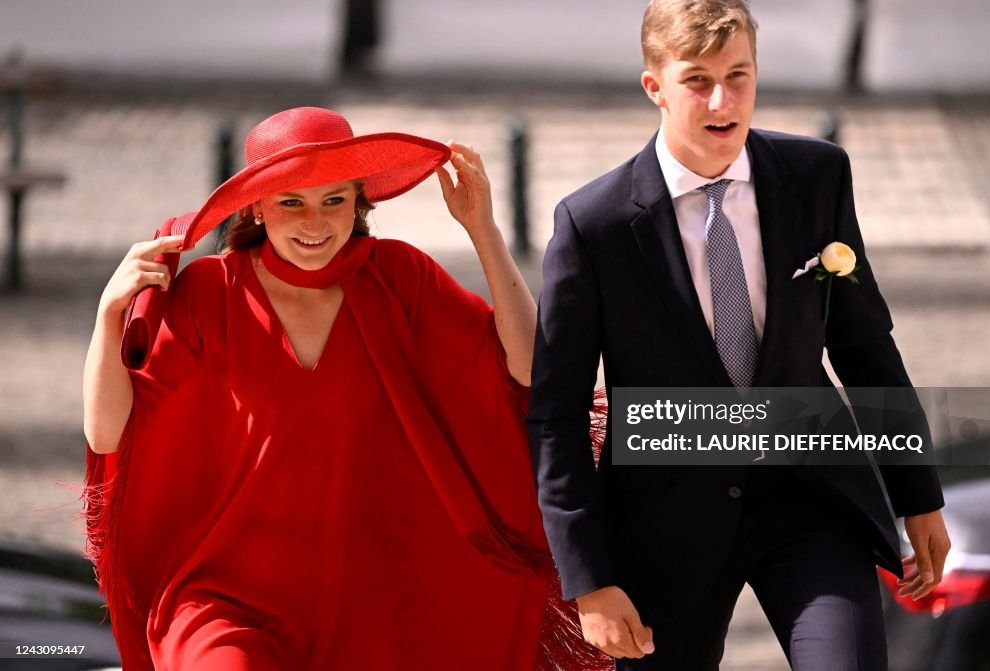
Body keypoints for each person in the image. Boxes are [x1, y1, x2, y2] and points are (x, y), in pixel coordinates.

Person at [527, 0, 951, 670]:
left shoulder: (817, 177)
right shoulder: (593, 225)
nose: (722, 102)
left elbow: (863, 342)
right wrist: (589, 579)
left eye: (738, 76)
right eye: (697, 80)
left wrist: (919, 492)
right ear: (654, 86)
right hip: (664, 525)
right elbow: (558, 413)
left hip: (809, 496)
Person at [82, 107, 603, 670]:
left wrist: (484, 232)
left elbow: (530, 371)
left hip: (370, 595)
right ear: (257, 205)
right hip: (224, 594)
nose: (316, 222)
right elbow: (107, 431)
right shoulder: (209, 293)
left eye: (335, 200)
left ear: (360, 202)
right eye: (291, 202)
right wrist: (109, 315)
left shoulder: (400, 277)